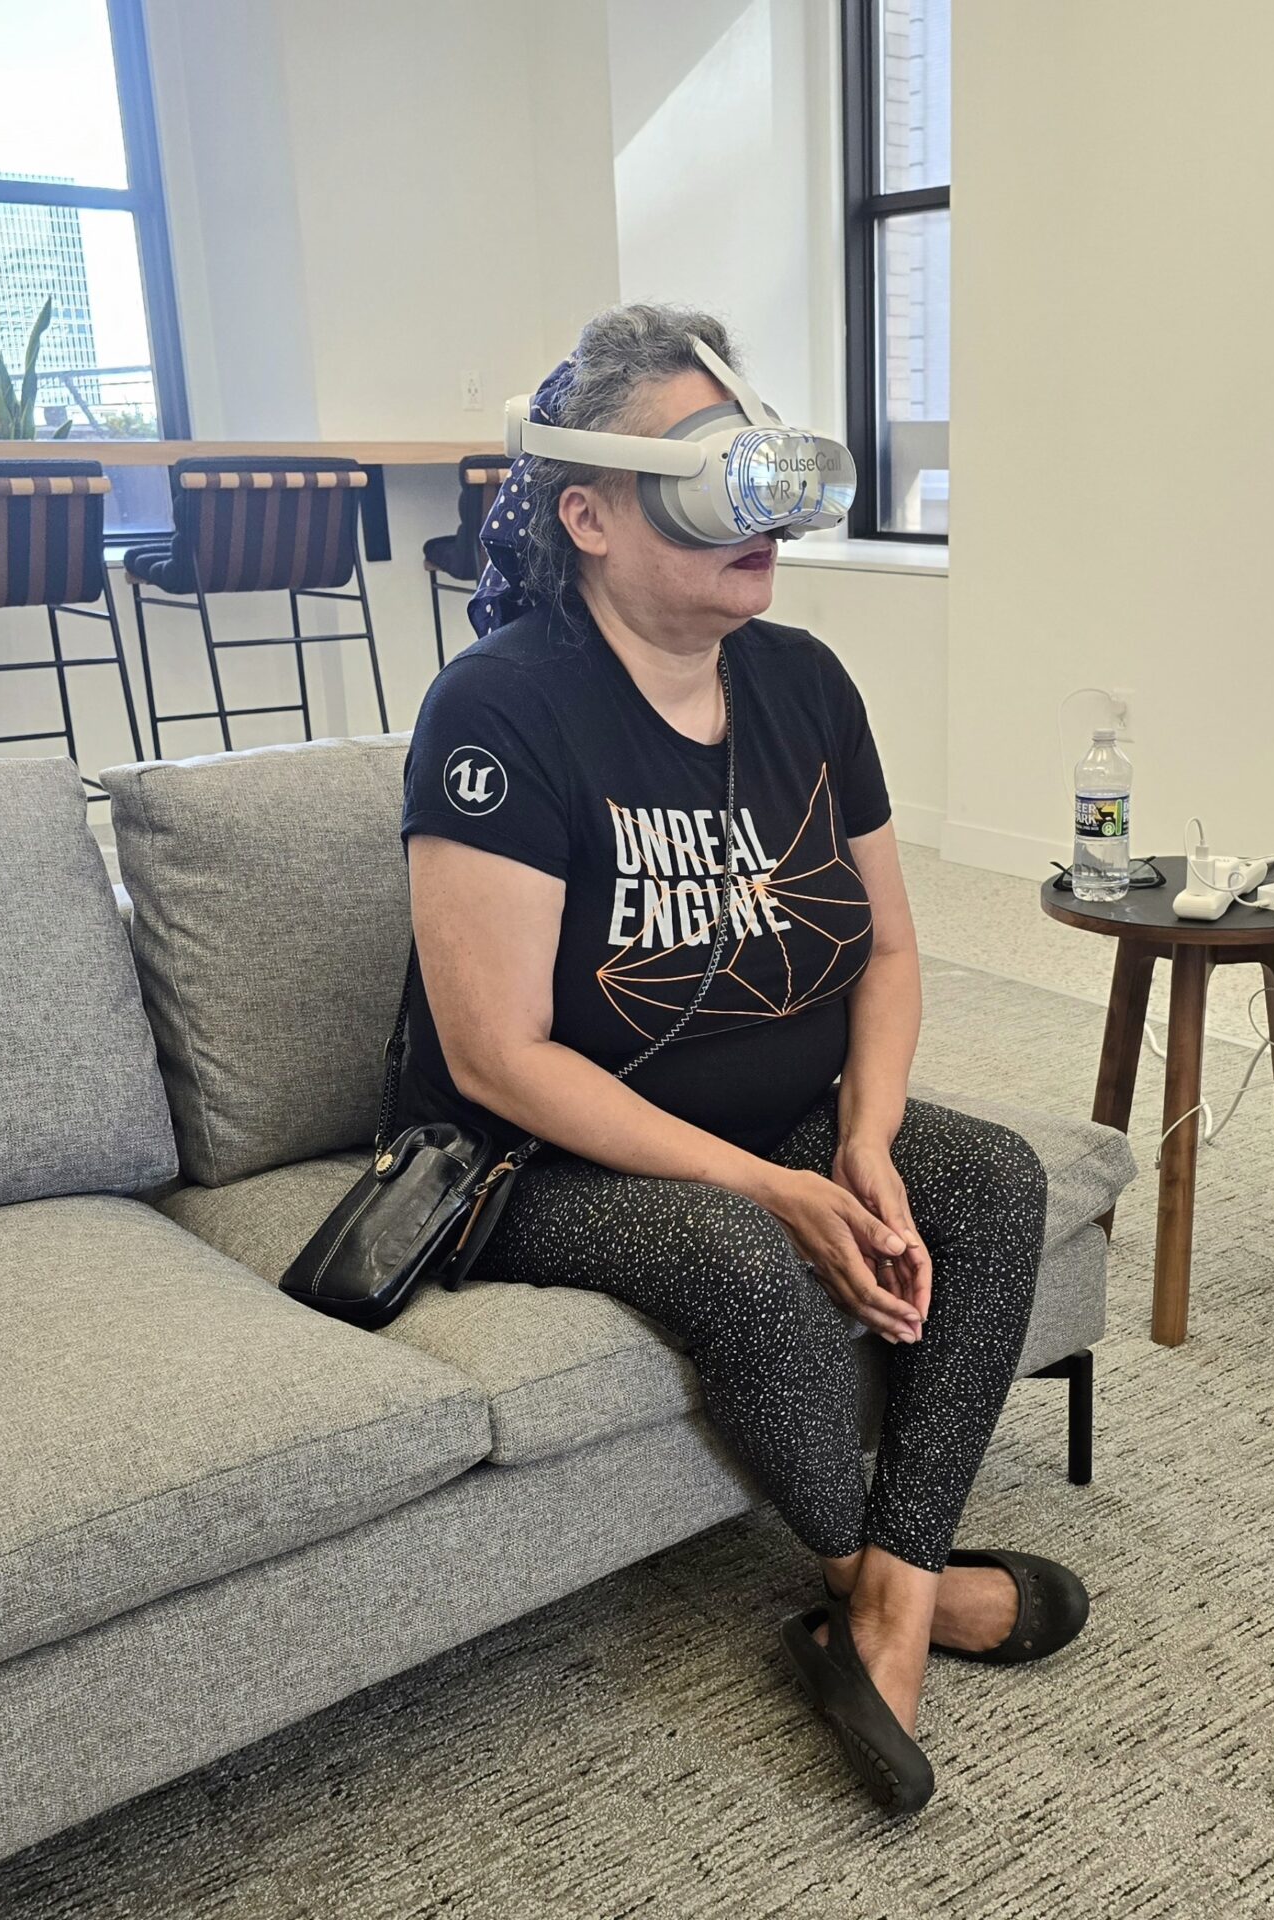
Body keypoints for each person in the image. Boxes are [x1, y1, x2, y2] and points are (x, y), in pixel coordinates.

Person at [397, 303, 1087, 1813]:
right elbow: (496, 1055)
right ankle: (897, 1598)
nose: (756, 514)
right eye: (702, 474)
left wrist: (865, 1142)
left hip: (777, 1115)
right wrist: (771, 1190)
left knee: (989, 1180)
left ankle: (889, 1589)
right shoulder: (504, 710)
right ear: (585, 513)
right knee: (735, 1251)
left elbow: (892, 947)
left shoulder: (806, 685)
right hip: (532, 1162)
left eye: (757, 466)